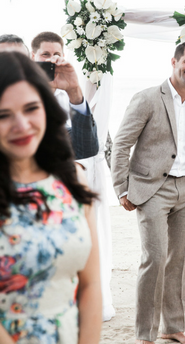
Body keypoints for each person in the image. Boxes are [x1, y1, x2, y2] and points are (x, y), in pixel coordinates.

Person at [112, 42, 185, 344]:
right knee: (153, 259)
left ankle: (173, 327)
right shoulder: (146, 99)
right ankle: (145, 333)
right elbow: (120, 144)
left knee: (178, 260)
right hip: (151, 189)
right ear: (174, 61)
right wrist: (122, 188)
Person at [0, 51, 102, 343]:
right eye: (3, 115)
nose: (21, 125)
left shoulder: (72, 178)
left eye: (31, 108)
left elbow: (91, 285)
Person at [29, 31, 116, 321]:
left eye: (56, 54)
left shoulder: (68, 97)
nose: (51, 60)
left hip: (58, 205)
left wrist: (76, 93)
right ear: (33, 57)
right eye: (45, 54)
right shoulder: (15, 91)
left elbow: (86, 148)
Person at [0, 34, 98, 161]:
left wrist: (74, 91)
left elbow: (84, 149)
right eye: (4, 61)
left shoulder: (37, 109)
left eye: (20, 62)